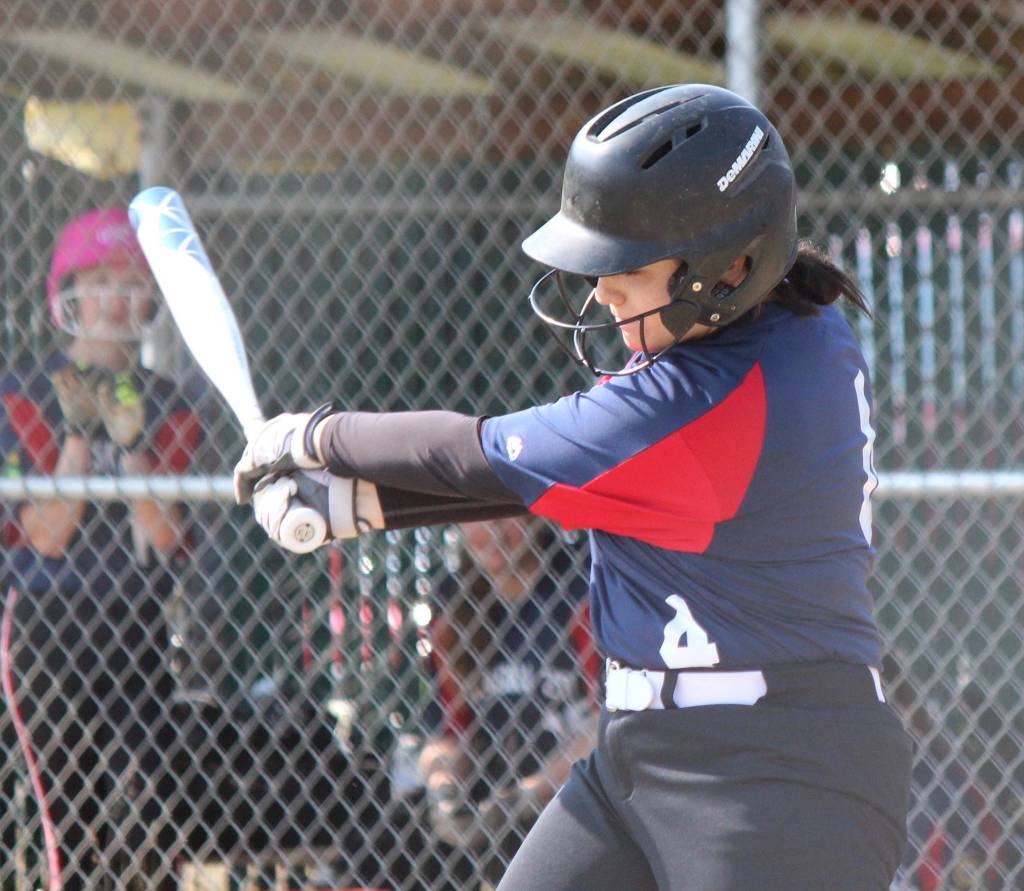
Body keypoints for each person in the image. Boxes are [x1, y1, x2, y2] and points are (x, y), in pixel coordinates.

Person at [233, 84, 913, 891]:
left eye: (628, 268)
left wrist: (314, 436)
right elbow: (582, 482)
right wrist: (356, 505)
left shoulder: (709, 398)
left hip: (777, 776)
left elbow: (477, 455)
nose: (601, 292)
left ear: (730, 268)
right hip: (639, 755)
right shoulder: (789, 326)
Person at [0, 207, 202, 890]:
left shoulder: (171, 402)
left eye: (131, 283)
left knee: (149, 807)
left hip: (135, 619)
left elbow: (164, 534)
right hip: (48, 622)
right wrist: (81, 435)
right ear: (68, 296)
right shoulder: (22, 395)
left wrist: (131, 442)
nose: (116, 299)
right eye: (99, 283)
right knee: (66, 814)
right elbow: (47, 534)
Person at [417, 516, 597, 889]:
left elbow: (611, 723)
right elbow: (449, 732)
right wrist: (443, 790)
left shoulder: (579, 586)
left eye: (506, 515)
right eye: (477, 519)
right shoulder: (453, 603)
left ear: (537, 517)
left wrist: (532, 792)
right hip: (492, 796)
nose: (495, 532)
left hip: (578, 798)